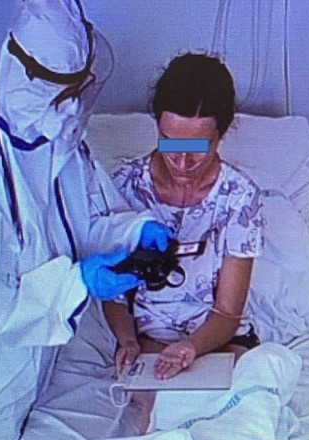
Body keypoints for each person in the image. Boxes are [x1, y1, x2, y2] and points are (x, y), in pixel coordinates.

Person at [0, 1, 171, 438]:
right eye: (64, 92)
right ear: (28, 77)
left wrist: (135, 230)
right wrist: (81, 282)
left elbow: (89, 220)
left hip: (49, 339)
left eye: (76, 90)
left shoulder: (55, 141)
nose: (72, 105)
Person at [106, 53, 264, 385]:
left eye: (197, 147)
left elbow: (227, 312)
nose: (182, 161)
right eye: (171, 143)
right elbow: (113, 291)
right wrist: (127, 339)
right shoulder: (125, 187)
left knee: (241, 408)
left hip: (218, 337)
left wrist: (191, 347)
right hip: (150, 337)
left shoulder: (239, 198)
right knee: (156, 412)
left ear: (220, 136)